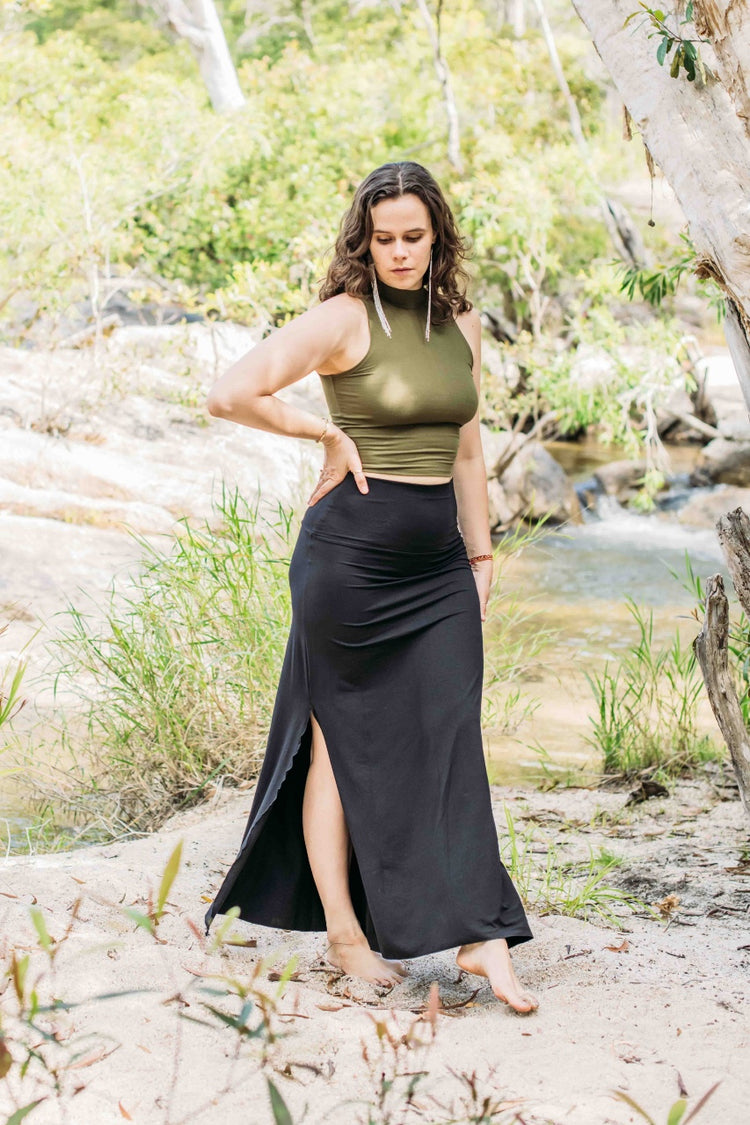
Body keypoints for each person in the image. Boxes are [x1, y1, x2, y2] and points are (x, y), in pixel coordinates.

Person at [203, 161, 538, 1014]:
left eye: (413, 237)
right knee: (337, 745)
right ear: (364, 241)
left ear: (437, 237)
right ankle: (346, 934)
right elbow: (229, 392)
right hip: (349, 561)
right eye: (383, 238)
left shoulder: (460, 323)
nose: (399, 252)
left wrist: (482, 556)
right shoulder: (343, 318)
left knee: (452, 730)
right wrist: (323, 432)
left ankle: (478, 931)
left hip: (438, 564)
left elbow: (468, 449)